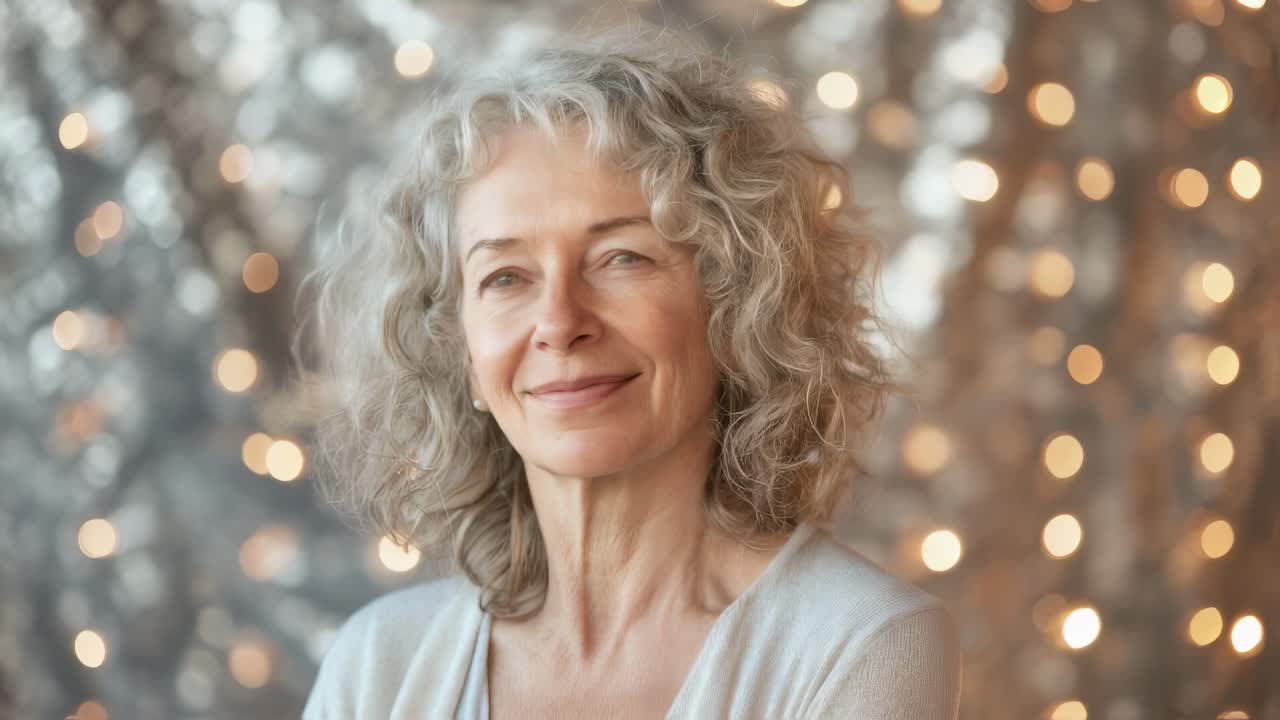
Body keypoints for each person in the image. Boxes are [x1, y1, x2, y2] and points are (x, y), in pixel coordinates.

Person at [294, 20, 961, 720]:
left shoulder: (858, 644)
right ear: (459, 349)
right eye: (505, 277)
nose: (559, 323)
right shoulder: (380, 663)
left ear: (736, 305)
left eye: (623, 258)